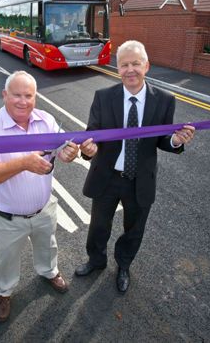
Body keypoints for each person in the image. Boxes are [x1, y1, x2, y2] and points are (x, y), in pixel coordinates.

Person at [75, 40, 195, 293]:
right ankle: (96, 261)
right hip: (107, 177)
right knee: (98, 226)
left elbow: (163, 138)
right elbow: (92, 134)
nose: (130, 70)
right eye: (124, 65)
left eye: (136, 64)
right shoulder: (103, 97)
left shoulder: (164, 100)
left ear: (147, 66)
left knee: (134, 229)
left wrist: (175, 140)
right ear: (117, 69)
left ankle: (124, 265)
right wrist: (88, 149)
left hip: (140, 179)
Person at [0, 71, 79, 322]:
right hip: (7, 218)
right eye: (16, 95)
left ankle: (49, 272)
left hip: (44, 209)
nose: (23, 101)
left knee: (47, 246)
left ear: (35, 97)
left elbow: (60, 152)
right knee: (6, 258)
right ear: (4, 95)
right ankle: (4, 292)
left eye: (28, 95)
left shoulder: (47, 120)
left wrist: (68, 154)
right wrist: (23, 163)